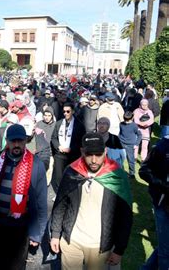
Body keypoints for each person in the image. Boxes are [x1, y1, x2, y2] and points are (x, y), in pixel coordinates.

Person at [50, 133, 133, 270]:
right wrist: (55, 234)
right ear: (82, 151)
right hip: (71, 241)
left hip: (100, 247)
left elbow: (126, 216)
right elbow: (60, 204)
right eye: (89, 154)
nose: (94, 160)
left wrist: (119, 249)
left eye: (99, 154)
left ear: (105, 151)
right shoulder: (72, 172)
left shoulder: (116, 176)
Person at [0, 124, 47, 270]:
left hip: (19, 225)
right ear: (7, 141)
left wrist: (37, 233)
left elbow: (41, 202)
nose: (16, 145)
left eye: (20, 141)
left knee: (16, 265)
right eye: (13, 141)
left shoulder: (36, 164)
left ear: (26, 141)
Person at [139, 135, 169, 270]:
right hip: (164, 204)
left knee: (166, 245)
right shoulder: (162, 146)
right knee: (165, 250)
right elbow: (144, 170)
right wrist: (163, 185)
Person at [51, 102, 85, 192]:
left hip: (73, 155)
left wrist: (71, 148)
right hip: (60, 155)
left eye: (68, 111)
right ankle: (59, 193)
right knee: (58, 177)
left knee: (71, 175)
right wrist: (58, 146)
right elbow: (53, 138)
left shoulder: (79, 125)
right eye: (64, 111)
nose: (65, 113)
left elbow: (81, 141)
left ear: (73, 111)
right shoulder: (59, 123)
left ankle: (70, 193)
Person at [119, 111, 142, 178]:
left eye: (127, 121)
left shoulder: (134, 126)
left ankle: (132, 174)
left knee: (131, 160)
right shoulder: (121, 124)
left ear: (132, 118)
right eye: (125, 120)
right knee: (119, 159)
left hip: (130, 145)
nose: (126, 122)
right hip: (121, 143)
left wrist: (136, 144)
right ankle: (119, 171)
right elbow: (120, 133)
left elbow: (139, 135)